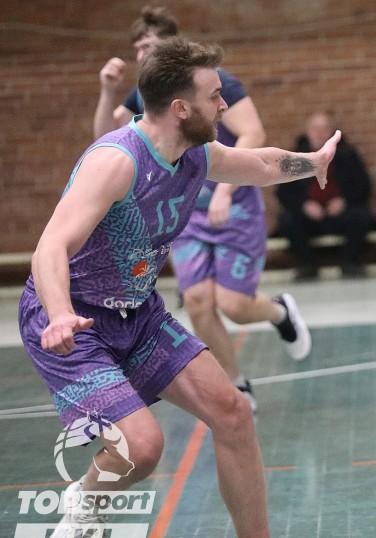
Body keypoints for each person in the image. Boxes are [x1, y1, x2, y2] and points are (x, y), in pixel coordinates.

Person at [20, 37, 341, 538]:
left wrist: (313, 161)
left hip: (139, 313)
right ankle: (86, 499)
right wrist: (58, 315)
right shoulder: (117, 161)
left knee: (233, 412)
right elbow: (49, 247)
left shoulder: (195, 154)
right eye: (214, 96)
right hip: (75, 319)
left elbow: (258, 164)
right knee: (142, 449)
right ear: (181, 108)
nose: (224, 105)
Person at [93, 5, 307, 412]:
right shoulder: (146, 95)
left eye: (149, 45)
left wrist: (224, 191)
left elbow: (254, 133)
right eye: (137, 47)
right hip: (186, 211)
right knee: (196, 302)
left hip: (234, 207)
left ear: (171, 47)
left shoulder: (216, 84)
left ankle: (278, 312)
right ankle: (237, 385)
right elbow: (106, 138)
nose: (141, 54)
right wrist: (107, 91)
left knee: (234, 305)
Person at [276, 111, 376, 280]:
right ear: (307, 131)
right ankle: (308, 264)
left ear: (331, 132)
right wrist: (304, 205)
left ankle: (349, 262)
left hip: (341, 214)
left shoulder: (347, 155)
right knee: (287, 221)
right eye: (315, 128)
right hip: (307, 216)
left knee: (361, 216)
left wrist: (344, 201)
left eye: (324, 129)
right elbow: (284, 192)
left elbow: (362, 185)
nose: (319, 133)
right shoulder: (295, 158)